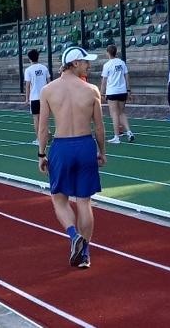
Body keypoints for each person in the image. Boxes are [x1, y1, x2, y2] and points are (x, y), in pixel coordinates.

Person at [38, 46, 106, 269]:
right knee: (85, 202)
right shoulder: (92, 90)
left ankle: (73, 235)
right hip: (85, 145)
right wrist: (101, 151)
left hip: (61, 147)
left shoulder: (48, 90)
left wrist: (41, 154)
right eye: (85, 62)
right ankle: (85, 254)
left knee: (59, 198)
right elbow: (100, 128)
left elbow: (43, 128)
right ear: (75, 63)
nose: (89, 65)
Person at [100, 45, 134, 143]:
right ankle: (129, 132)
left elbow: (104, 81)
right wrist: (128, 90)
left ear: (108, 53)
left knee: (114, 114)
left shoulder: (107, 65)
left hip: (112, 92)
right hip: (122, 91)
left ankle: (116, 136)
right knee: (122, 113)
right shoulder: (122, 63)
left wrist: (101, 93)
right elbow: (127, 77)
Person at [23, 49, 50, 145]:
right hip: (44, 97)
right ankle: (46, 135)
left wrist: (26, 99)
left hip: (34, 97)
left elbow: (27, 85)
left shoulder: (28, 70)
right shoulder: (44, 68)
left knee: (36, 119)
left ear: (29, 58)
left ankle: (39, 139)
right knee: (44, 118)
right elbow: (49, 82)